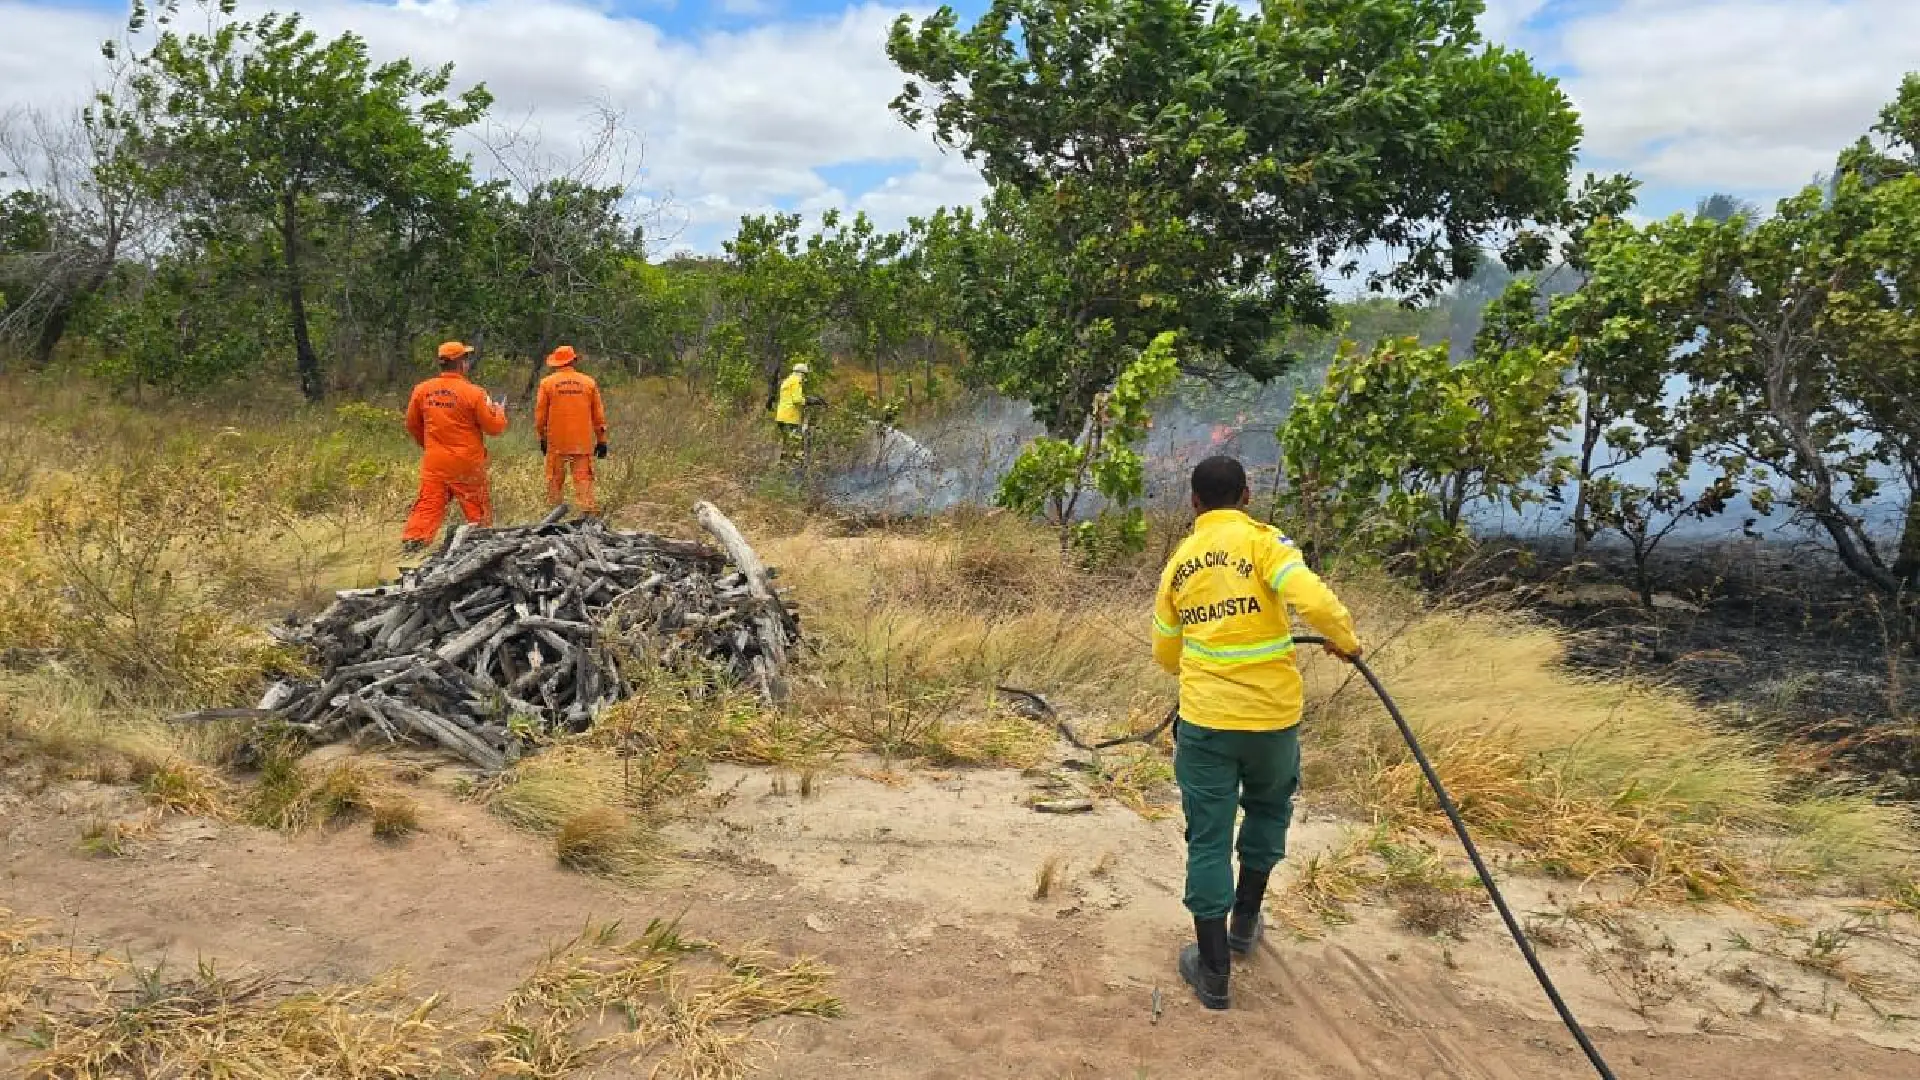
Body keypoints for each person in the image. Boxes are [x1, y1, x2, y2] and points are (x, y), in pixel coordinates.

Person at [1152, 455, 1363, 1010]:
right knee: (1269, 810)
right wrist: (1345, 640)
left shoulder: (1179, 564)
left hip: (1207, 724)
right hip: (1272, 721)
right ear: (1246, 496)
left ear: (1194, 503)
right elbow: (1314, 600)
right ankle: (1245, 923)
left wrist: (1205, 663)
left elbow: (1165, 653)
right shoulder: (1267, 545)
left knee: (1209, 836)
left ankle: (1214, 969)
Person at [401, 341, 509, 553]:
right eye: (466, 359)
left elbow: (412, 424)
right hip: (466, 463)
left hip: (435, 462)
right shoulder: (474, 393)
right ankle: (481, 547)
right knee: (477, 509)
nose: (467, 363)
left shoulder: (422, 390)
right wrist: (499, 411)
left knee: (428, 505)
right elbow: (494, 428)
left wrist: (429, 446)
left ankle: (412, 547)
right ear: (461, 364)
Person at [533, 345, 608, 517]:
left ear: (556, 363)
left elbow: (540, 416)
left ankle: (552, 518)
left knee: (554, 483)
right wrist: (602, 440)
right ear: (573, 360)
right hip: (582, 443)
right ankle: (588, 519)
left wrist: (542, 437)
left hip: (556, 442)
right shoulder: (589, 383)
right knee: (584, 483)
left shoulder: (547, 383)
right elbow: (599, 416)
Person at [774, 361, 809, 458]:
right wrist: (808, 401)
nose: (805, 378)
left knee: (785, 441)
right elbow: (797, 399)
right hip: (791, 417)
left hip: (781, 416)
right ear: (802, 373)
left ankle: (782, 463)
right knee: (796, 441)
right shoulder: (796, 381)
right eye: (805, 375)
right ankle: (798, 463)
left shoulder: (787, 380)